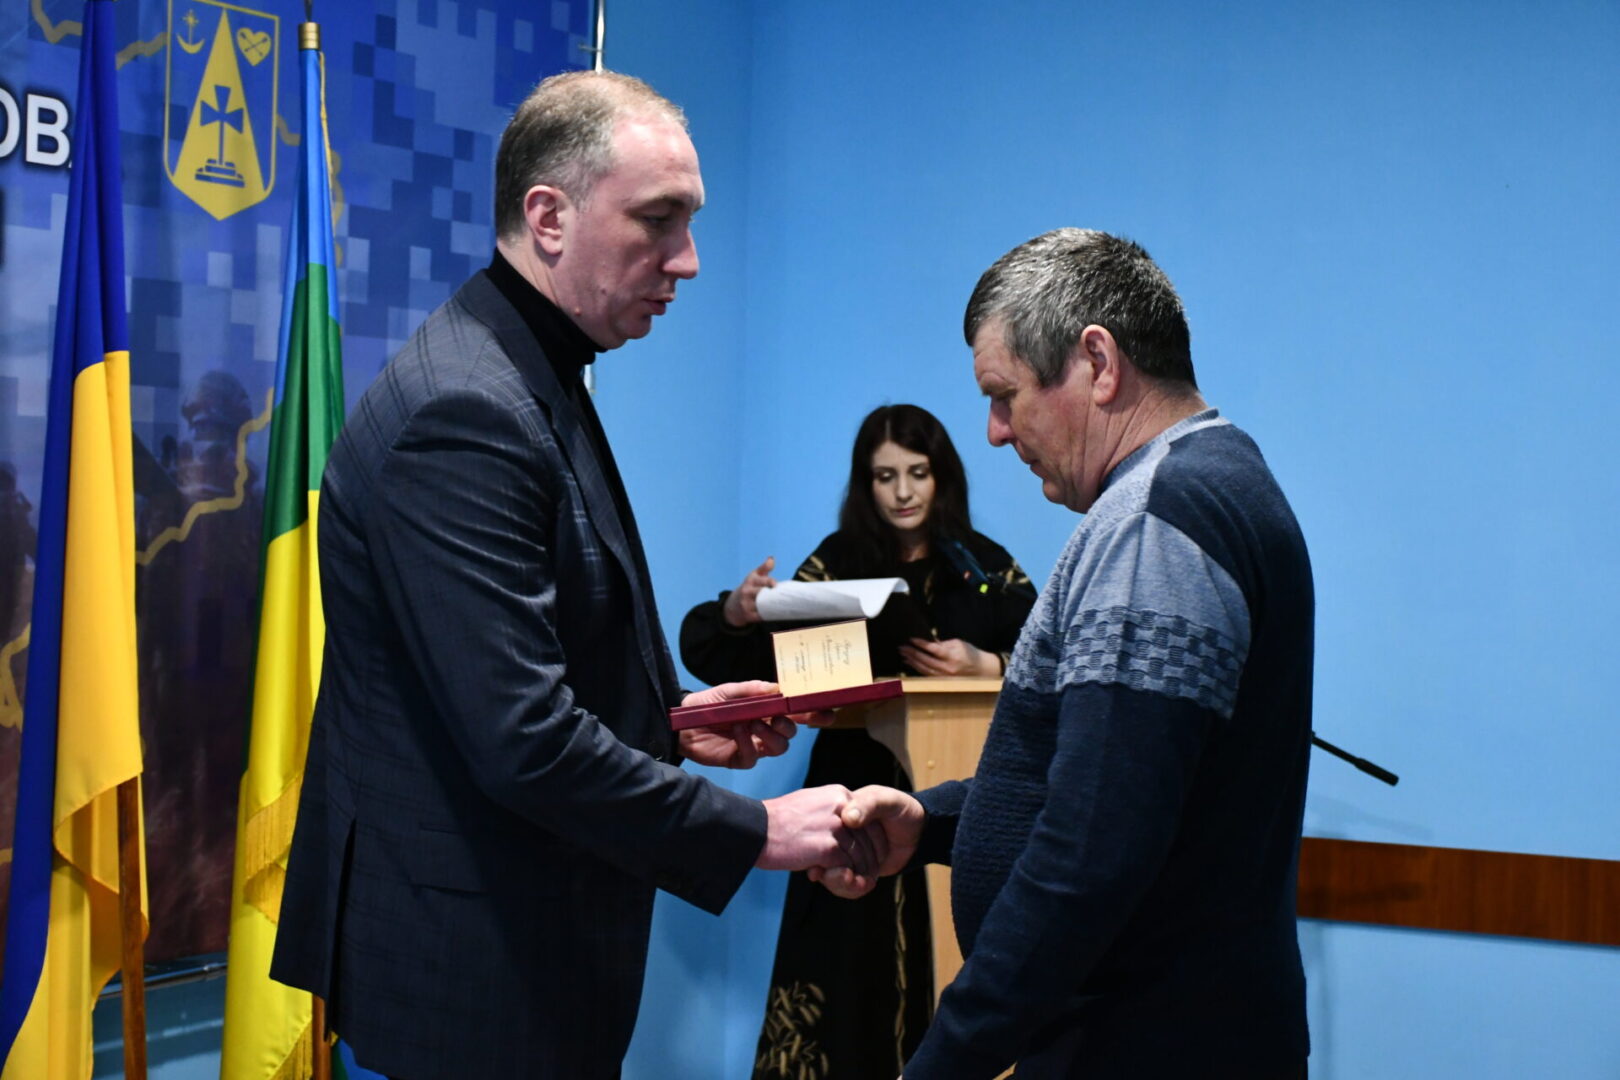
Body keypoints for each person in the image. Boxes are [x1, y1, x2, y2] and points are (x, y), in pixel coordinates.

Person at [271, 71, 874, 1080]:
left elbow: (501, 672)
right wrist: (754, 830)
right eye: (658, 221)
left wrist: (668, 722)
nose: (687, 260)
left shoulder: (523, 365)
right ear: (548, 216)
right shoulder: (465, 408)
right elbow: (521, 740)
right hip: (473, 978)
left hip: (519, 955)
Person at [819, 229, 1315, 1079]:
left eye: (1004, 395)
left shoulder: (1155, 522)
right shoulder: (1221, 478)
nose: (994, 432)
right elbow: (1125, 781)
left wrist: (941, 1065)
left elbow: (1094, 849)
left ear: (1098, 362)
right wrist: (933, 823)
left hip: (1141, 1044)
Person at [681, 404, 1036, 1080]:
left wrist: (989, 664)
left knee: (951, 967)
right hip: (847, 793)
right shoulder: (838, 562)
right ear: (864, 484)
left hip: (954, 797)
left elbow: (1056, 661)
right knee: (843, 969)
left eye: (917, 473)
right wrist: (737, 611)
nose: (902, 492)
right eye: (884, 476)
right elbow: (736, 655)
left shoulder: (981, 566)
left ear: (942, 477)